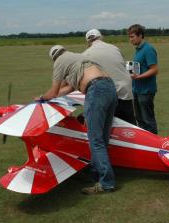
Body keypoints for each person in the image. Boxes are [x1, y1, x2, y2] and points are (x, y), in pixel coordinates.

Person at [40, 45, 117, 194]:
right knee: (102, 138)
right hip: (110, 88)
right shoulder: (77, 57)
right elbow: (66, 88)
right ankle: (95, 173)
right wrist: (50, 95)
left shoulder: (59, 62)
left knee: (95, 139)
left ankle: (106, 183)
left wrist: (41, 98)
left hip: (96, 89)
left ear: (53, 58)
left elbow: (54, 91)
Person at [83, 29, 136, 125]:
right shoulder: (115, 48)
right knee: (130, 126)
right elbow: (123, 66)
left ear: (88, 42)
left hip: (108, 94)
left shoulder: (86, 54)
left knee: (110, 127)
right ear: (101, 37)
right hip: (125, 91)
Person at [127, 24, 159, 134]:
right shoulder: (138, 49)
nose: (130, 39)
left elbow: (154, 70)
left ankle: (154, 145)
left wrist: (138, 76)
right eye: (129, 37)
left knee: (148, 120)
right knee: (139, 119)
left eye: (132, 37)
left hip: (146, 91)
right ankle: (144, 142)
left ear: (140, 35)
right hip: (136, 89)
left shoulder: (148, 49)